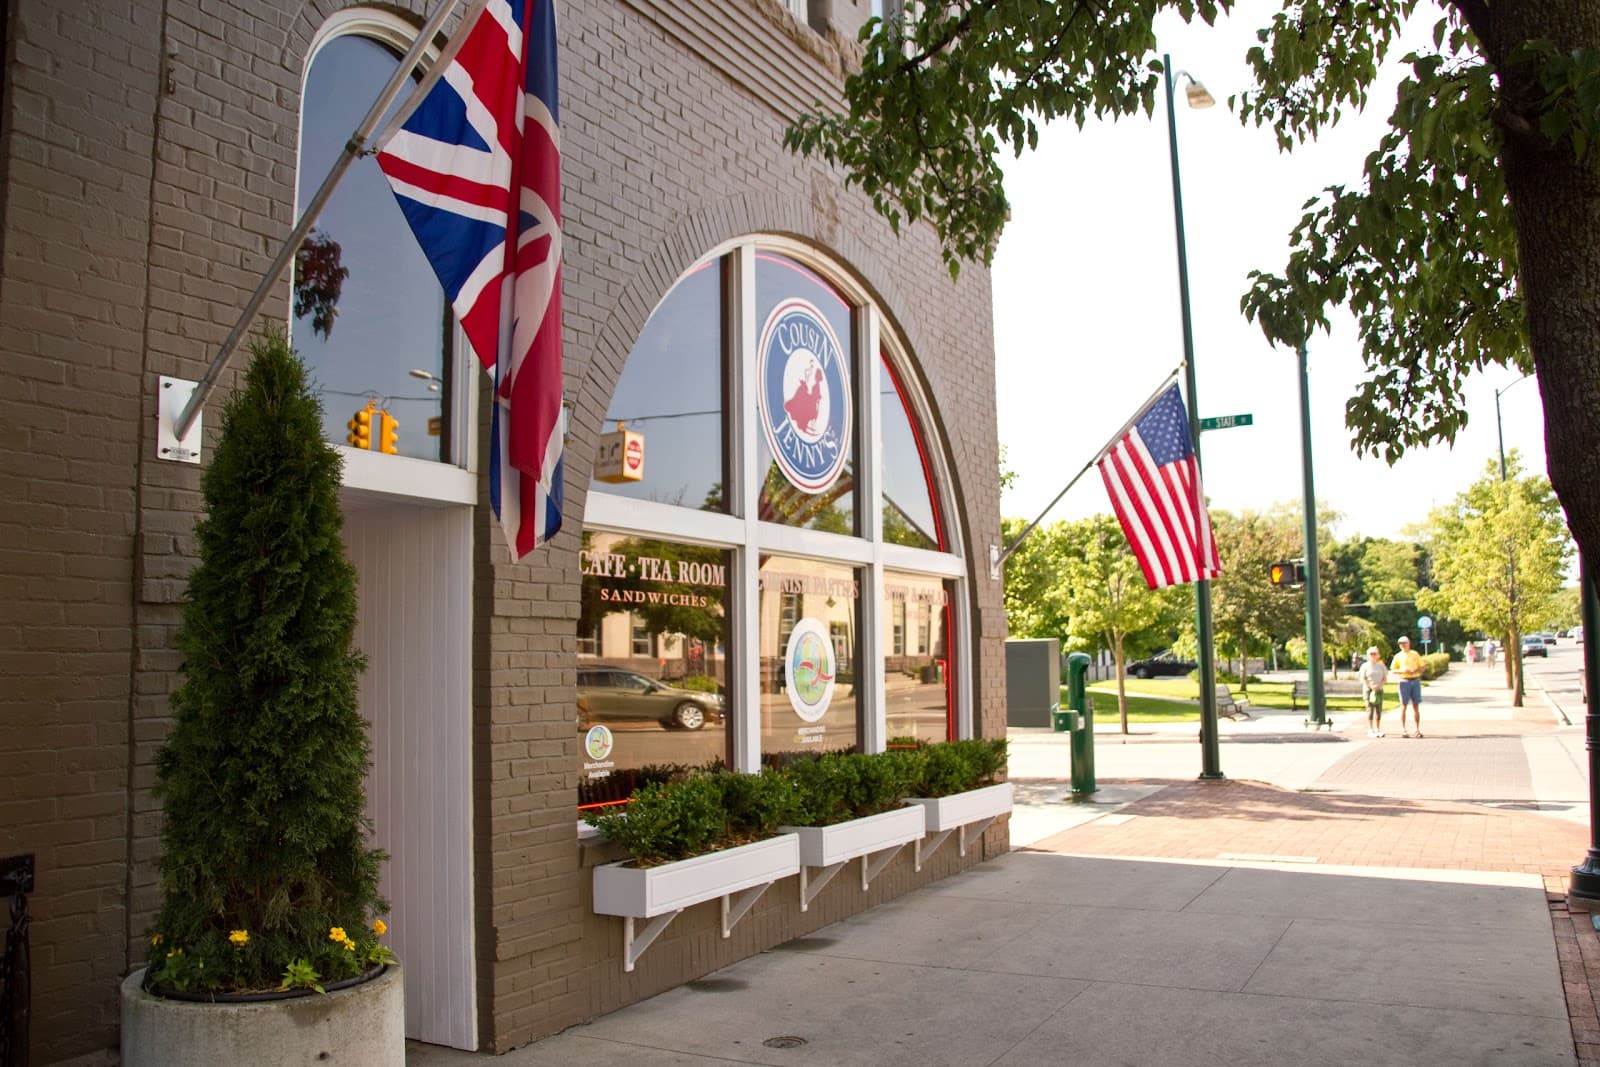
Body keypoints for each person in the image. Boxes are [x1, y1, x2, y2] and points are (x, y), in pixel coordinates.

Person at [1390, 635, 1425, 737]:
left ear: (1409, 643)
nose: (1403, 645)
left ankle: (1417, 729)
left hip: (1415, 680)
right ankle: (1404, 729)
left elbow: (1422, 667)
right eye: (1401, 644)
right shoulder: (1398, 656)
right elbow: (1393, 669)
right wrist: (1402, 671)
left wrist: (1416, 670)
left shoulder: (1414, 654)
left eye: (1405, 643)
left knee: (1416, 705)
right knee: (1403, 705)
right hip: (1403, 680)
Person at [1359, 645, 1388, 737]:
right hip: (1368, 690)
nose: (1373, 656)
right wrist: (1371, 686)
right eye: (1371, 654)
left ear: (1378, 655)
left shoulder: (1381, 666)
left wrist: (1379, 686)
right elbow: (1363, 679)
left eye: (1375, 654)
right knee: (1370, 709)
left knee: (1378, 710)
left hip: (1379, 690)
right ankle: (1370, 728)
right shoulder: (1365, 666)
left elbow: (1385, 678)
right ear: (1368, 656)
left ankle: (1378, 728)